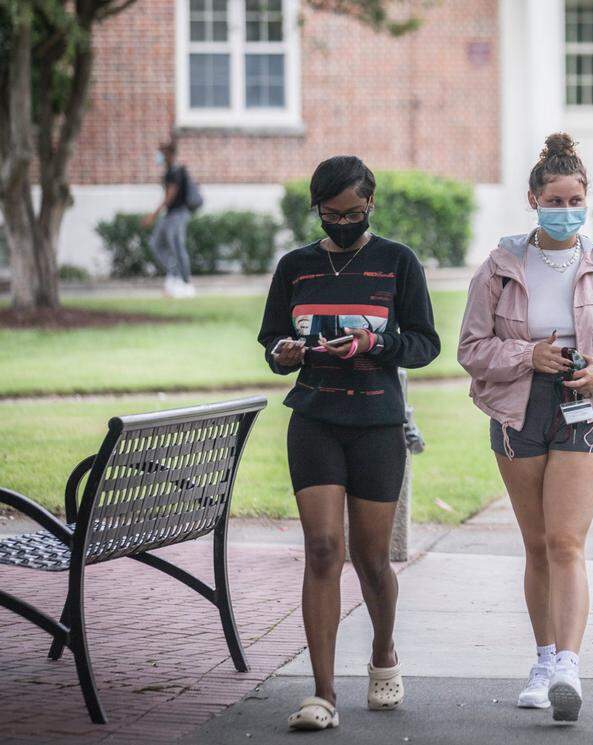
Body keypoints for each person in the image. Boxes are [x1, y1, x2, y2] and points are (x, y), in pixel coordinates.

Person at [457, 133, 593, 723]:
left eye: (575, 200)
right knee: (537, 544)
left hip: (583, 407)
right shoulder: (500, 267)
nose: (566, 211)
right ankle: (542, 661)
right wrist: (526, 357)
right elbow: (471, 348)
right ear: (533, 199)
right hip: (519, 410)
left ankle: (569, 663)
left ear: (586, 199)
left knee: (567, 542)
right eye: (555, 200)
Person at [257, 155, 441, 731]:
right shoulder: (296, 266)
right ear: (317, 209)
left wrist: (372, 346)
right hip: (314, 419)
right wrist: (282, 353)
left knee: (369, 558)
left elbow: (423, 343)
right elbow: (271, 340)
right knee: (321, 550)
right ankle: (323, 693)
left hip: (377, 426)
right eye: (330, 213)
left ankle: (383, 652)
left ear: (371, 205)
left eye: (353, 212)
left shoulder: (396, 262)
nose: (341, 221)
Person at [142, 138, 196, 298]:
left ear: (168, 154)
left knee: (177, 247)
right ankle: (173, 274)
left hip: (178, 214)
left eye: (161, 153)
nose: (158, 156)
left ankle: (186, 283)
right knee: (156, 244)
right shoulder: (168, 172)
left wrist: (153, 215)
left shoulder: (175, 172)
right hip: (169, 215)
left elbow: (169, 196)